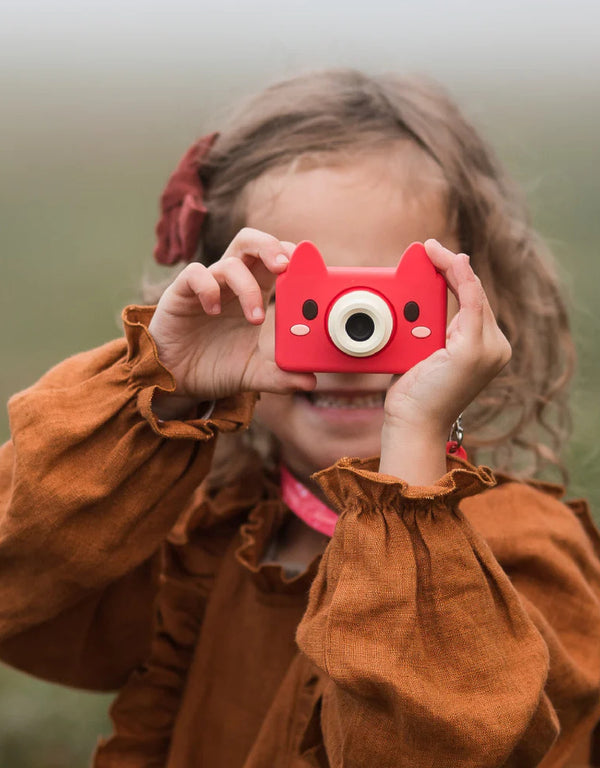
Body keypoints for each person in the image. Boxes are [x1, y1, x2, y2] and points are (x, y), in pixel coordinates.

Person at [1, 69, 599, 768]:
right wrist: (160, 388)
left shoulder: (519, 558)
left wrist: (410, 463)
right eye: (304, 295)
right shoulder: (200, 536)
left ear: (477, 312)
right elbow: (22, 579)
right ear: (225, 295)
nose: (354, 340)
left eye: (392, 298)